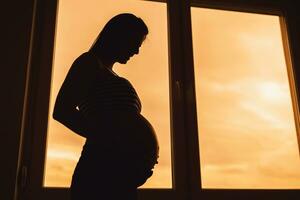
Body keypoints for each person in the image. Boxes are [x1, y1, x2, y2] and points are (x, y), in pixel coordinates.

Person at [52, 13, 159, 200]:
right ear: (119, 37)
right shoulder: (88, 63)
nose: (136, 51)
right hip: (99, 170)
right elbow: (62, 111)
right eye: (135, 43)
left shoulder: (112, 75)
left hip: (120, 173)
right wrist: (111, 141)